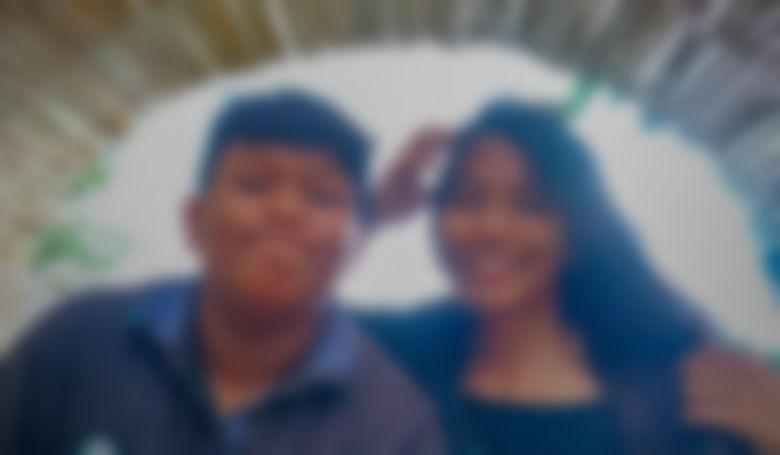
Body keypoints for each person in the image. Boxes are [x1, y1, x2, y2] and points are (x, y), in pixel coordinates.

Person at [0, 91, 444, 455]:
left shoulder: (394, 425)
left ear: (353, 243)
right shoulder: (79, 340)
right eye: (255, 184)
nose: (285, 209)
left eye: (321, 195)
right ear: (195, 221)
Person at [361, 99, 780, 454]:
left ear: (577, 230)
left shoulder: (674, 388)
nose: (492, 228)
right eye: (468, 200)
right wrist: (370, 214)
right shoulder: (396, 356)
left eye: (532, 205)